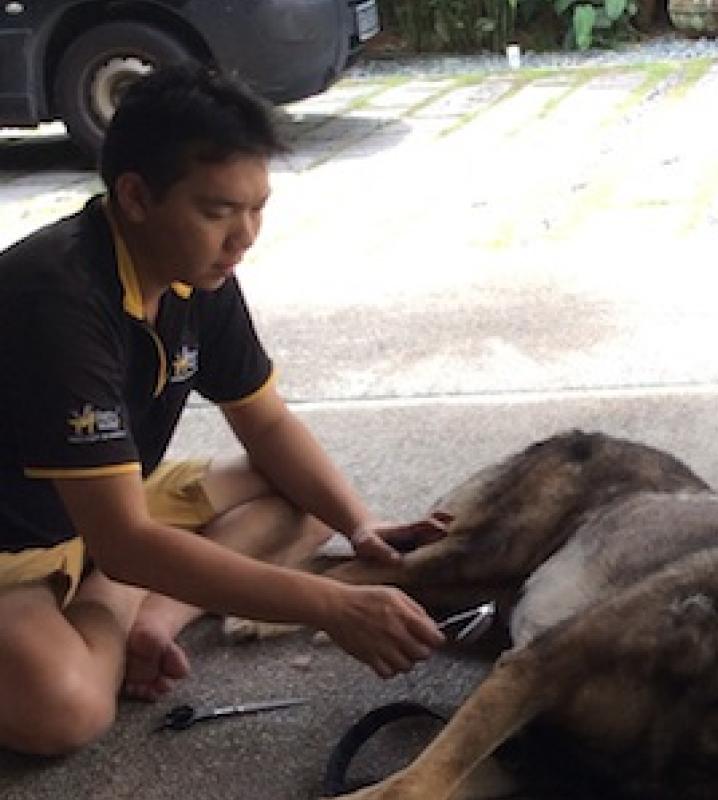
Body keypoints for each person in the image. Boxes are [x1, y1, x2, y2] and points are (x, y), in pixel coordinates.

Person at [0, 66, 445, 757]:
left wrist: (359, 526)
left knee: (302, 502)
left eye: (257, 208)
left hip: (107, 504)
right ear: (135, 196)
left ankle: (156, 616)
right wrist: (332, 605)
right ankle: (114, 600)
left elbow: (265, 423)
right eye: (218, 211)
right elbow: (123, 541)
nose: (244, 237)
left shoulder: (194, 273)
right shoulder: (58, 299)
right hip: (20, 542)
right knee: (64, 710)